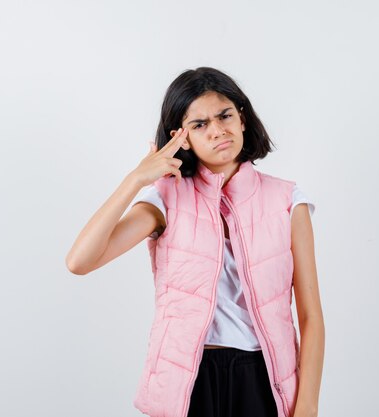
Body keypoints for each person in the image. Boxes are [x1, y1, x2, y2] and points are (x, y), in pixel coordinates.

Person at [66, 67, 324, 417]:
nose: (217, 130)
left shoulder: (287, 200)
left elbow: (310, 315)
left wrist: (307, 405)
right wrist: (137, 178)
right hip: (188, 382)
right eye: (199, 124)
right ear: (181, 136)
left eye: (225, 115)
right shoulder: (166, 199)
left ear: (243, 119)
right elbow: (80, 261)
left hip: (264, 380)